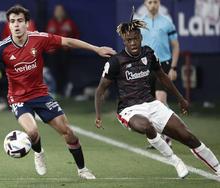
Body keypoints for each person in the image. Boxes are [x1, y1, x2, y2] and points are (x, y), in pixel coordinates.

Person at [0, 5, 116, 179]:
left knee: (68, 132)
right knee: (32, 132)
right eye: (12, 21)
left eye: (20, 21)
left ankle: (82, 169)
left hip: (41, 95)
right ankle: (38, 153)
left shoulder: (39, 38)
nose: (16, 25)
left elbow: (67, 41)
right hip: (18, 98)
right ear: (9, 25)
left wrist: (96, 49)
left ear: (27, 23)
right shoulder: (1, 48)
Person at [94, 18, 220, 178]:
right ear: (124, 41)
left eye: (135, 39)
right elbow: (100, 90)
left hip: (152, 104)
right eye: (128, 40)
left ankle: (218, 169)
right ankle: (175, 161)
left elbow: (163, 77)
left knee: (188, 137)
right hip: (129, 109)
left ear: (141, 37)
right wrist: (98, 115)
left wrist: (180, 98)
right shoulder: (115, 62)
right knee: (146, 126)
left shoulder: (148, 53)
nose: (132, 43)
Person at [140, 0, 180, 147]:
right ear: (145, 4)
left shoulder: (167, 22)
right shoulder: (140, 23)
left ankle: (169, 135)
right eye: (150, 2)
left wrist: (174, 67)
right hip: (146, 66)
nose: (153, 5)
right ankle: (156, 138)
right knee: (149, 103)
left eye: (155, 2)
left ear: (159, 3)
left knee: (161, 100)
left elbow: (175, 46)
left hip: (163, 65)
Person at [45, 4, 80, 96]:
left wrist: (72, 47)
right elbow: (46, 37)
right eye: (57, 11)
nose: (58, 13)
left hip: (65, 51)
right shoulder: (51, 22)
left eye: (60, 11)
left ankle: (65, 90)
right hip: (53, 52)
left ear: (64, 12)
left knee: (65, 71)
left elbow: (76, 35)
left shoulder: (69, 22)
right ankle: (55, 90)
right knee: (54, 71)